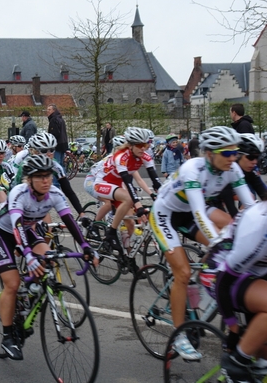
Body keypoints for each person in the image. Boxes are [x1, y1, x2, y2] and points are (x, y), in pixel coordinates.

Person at [150, 126, 255, 361]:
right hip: (166, 214)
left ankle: (208, 278)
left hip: (190, 211)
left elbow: (251, 208)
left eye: (235, 152)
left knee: (231, 229)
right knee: (183, 272)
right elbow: (199, 214)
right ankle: (179, 335)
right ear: (209, 153)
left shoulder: (232, 168)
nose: (233, 158)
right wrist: (219, 243)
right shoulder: (192, 170)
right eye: (226, 153)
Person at [0, 155, 95, 360]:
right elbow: (17, 226)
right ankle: (8, 337)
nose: (46, 180)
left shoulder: (54, 193)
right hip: (2, 233)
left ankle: (25, 302)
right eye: (40, 177)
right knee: (12, 283)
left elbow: (69, 221)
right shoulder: (20, 193)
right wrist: (28, 255)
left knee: (49, 260)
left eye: (49, 176)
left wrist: (86, 246)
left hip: (26, 232)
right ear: (29, 179)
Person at [199, 202, 267, 382]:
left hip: (253, 272)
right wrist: (233, 328)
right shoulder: (258, 230)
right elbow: (223, 281)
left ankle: (256, 361)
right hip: (218, 273)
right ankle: (237, 363)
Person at [93, 127, 162, 257]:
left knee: (130, 223)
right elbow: (128, 182)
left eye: (146, 145)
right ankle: (111, 232)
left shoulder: (146, 156)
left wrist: (163, 198)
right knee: (129, 199)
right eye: (140, 145)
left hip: (117, 186)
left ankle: (128, 258)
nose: (143, 148)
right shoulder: (121, 157)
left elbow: (156, 181)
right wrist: (138, 205)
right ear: (130, 145)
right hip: (102, 183)